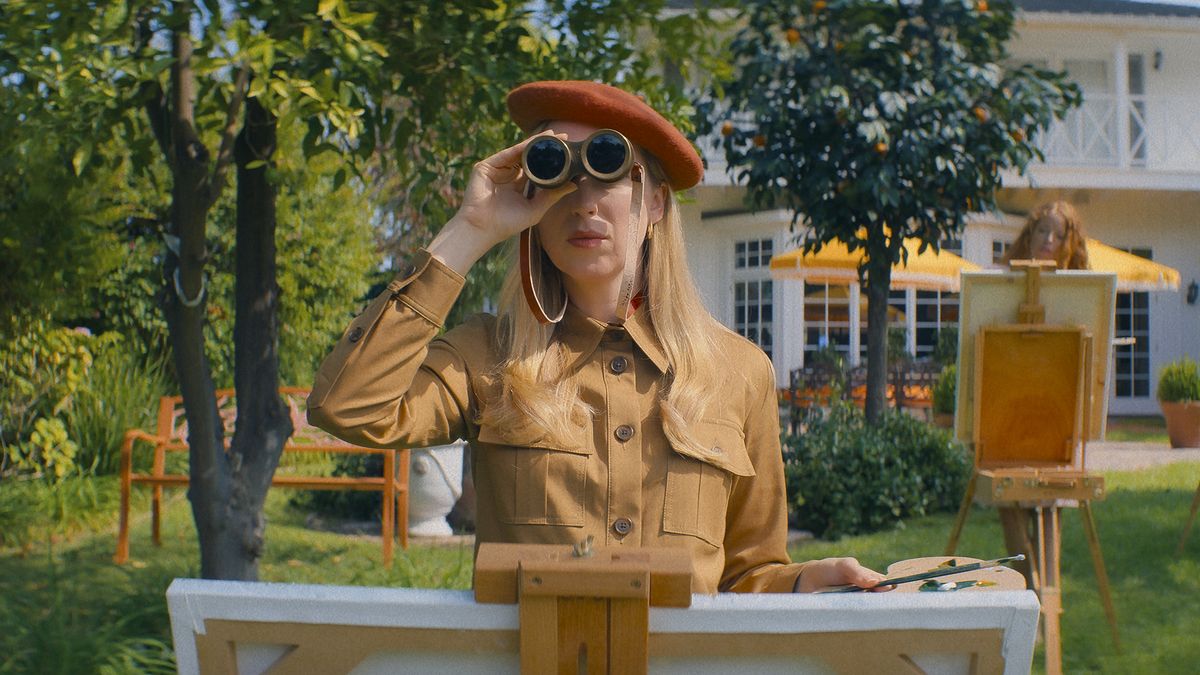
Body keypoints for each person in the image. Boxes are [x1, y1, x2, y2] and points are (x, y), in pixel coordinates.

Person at [308, 80, 887, 594]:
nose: (584, 201)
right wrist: (471, 228)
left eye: (610, 166)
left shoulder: (737, 372)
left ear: (657, 201)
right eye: (558, 171)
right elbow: (347, 407)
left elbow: (746, 574)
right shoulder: (488, 356)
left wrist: (804, 580)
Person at [999, 199, 1090, 589]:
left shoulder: (1083, 292)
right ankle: (1029, 592)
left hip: (1057, 411)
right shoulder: (1003, 282)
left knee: (1051, 503)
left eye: (1058, 234)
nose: (1048, 240)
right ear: (1029, 234)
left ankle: (1047, 599)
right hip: (1008, 408)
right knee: (1008, 497)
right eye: (1041, 231)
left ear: (1070, 242)